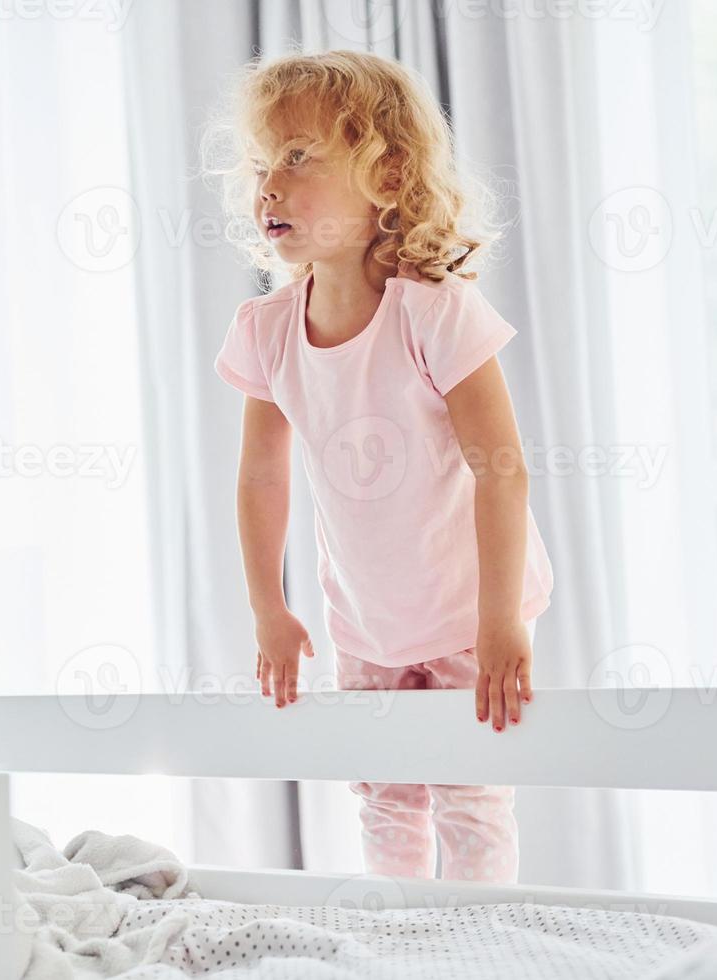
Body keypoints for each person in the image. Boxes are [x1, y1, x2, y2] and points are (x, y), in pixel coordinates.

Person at [208, 49, 555, 884]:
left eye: (297, 158)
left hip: (474, 606)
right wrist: (271, 609)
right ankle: (399, 948)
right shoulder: (267, 329)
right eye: (261, 164)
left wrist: (500, 620)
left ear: (389, 177)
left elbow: (500, 467)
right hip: (363, 618)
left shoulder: (435, 313)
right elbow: (261, 478)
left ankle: (477, 948)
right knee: (384, 794)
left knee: (470, 796)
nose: (269, 185)